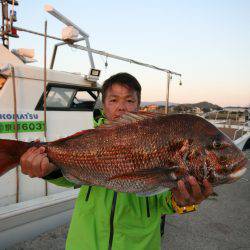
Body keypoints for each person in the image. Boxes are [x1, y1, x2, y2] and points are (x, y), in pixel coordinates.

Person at [20, 72, 213, 250]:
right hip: (85, 242)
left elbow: (164, 200)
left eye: (129, 100)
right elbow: (70, 178)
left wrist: (182, 201)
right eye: (113, 100)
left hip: (140, 244)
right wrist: (47, 170)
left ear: (138, 105)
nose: (121, 107)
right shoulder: (89, 140)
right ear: (104, 105)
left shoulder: (156, 141)